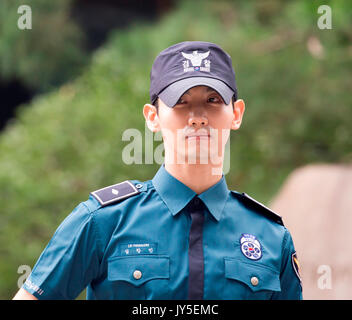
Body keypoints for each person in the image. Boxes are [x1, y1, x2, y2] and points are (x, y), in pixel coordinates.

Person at [13, 41, 302, 300]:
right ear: (153, 117)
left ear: (236, 114)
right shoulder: (103, 222)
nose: (198, 117)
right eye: (181, 102)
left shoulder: (271, 237)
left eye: (213, 100)